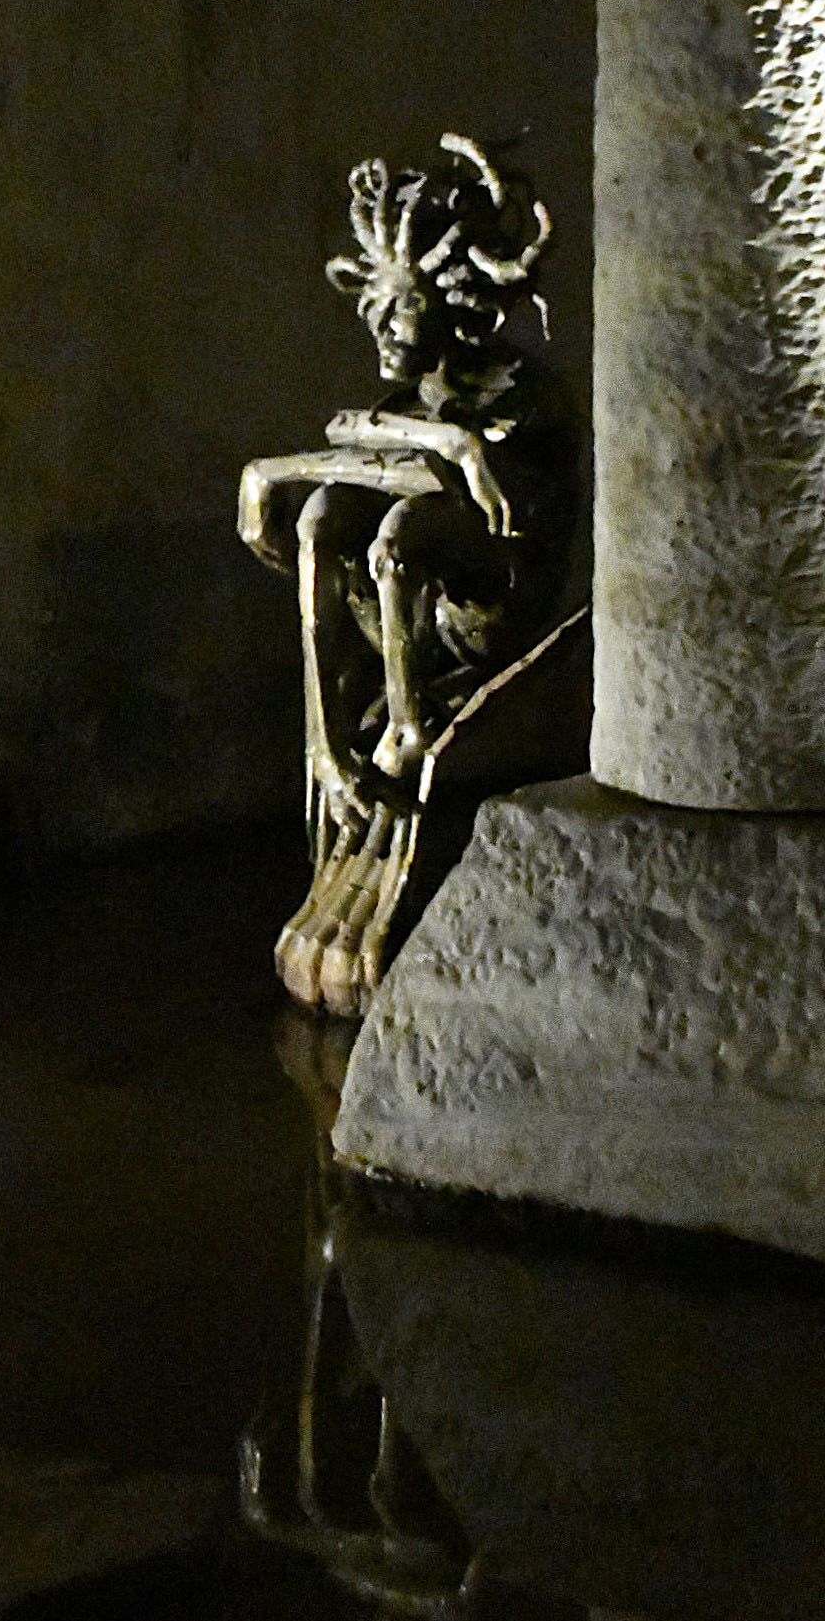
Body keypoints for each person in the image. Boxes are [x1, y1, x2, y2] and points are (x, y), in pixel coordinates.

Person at [238, 134, 579, 1016]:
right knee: (321, 516)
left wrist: (458, 447)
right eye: (378, 312)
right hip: (416, 611)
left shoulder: (520, 395)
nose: (386, 332)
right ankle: (327, 740)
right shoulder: (422, 401)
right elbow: (355, 430)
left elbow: (428, 496)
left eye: (405, 314)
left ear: (457, 308)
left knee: (395, 537)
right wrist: (437, 439)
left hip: (488, 605)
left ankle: (408, 726)